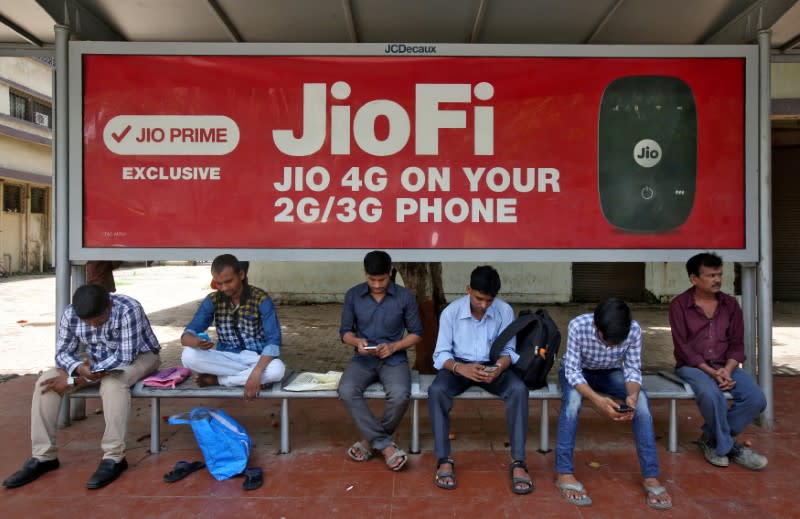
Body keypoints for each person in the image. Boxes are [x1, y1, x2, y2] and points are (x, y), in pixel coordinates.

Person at [2, 284, 161, 490]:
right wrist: (77, 367)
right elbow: (62, 354)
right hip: (93, 361)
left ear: (109, 305)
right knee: (46, 382)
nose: (94, 325)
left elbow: (124, 358)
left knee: (113, 384)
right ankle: (43, 457)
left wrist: (76, 379)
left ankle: (114, 457)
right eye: (88, 322)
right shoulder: (70, 314)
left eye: (99, 320)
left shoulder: (128, 309)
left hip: (140, 357)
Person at [555, 298, 672, 510]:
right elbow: (572, 372)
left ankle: (651, 476)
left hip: (610, 373)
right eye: (607, 341)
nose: (612, 347)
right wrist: (599, 401)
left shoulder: (633, 330)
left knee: (643, 401)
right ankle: (565, 473)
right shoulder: (578, 325)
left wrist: (632, 396)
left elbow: (633, 369)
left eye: (617, 343)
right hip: (577, 371)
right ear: (595, 326)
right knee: (572, 401)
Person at [428, 265, 533, 494]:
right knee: (436, 391)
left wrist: (498, 367)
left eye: (489, 300)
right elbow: (441, 354)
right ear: (468, 289)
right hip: (458, 366)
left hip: (492, 367)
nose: (484, 305)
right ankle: (444, 459)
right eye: (479, 298)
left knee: (518, 390)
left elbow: (509, 351)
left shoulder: (504, 311)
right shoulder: (451, 313)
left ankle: (518, 462)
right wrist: (459, 368)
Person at [669, 252, 767, 470]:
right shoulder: (679, 305)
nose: (717, 280)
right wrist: (711, 373)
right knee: (713, 395)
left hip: (726, 365)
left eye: (719, 274)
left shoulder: (730, 305)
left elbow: (737, 344)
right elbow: (683, 348)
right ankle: (728, 446)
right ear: (694, 278)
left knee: (756, 398)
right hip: (693, 367)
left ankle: (711, 439)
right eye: (711, 275)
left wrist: (727, 370)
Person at [338, 251, 423, 471]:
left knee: (400, 394)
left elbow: (416, 334)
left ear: (390, 272)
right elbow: (345, 333)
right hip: (363, 359)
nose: (376, 284)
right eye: (371, 279)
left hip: (393, 359)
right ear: (365, 274)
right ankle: (386, 446)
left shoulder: (405, 297)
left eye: (381, 279)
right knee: (347, 389)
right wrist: (357, 342)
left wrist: (394, 346)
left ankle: (370, 442)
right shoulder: (353, 295)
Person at [181, 254, 285, 400]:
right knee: (188, 356)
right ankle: (248, 377)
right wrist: (195, 342)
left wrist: (257, 371)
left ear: (241, 275)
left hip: (257, 358)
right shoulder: (213, 300)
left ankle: (219, 380)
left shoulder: (261, 299)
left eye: (228, 282)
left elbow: (273, 342)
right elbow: (187, 335)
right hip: (227, 357)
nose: (223, 288)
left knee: (277, 370)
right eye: (219, 283)